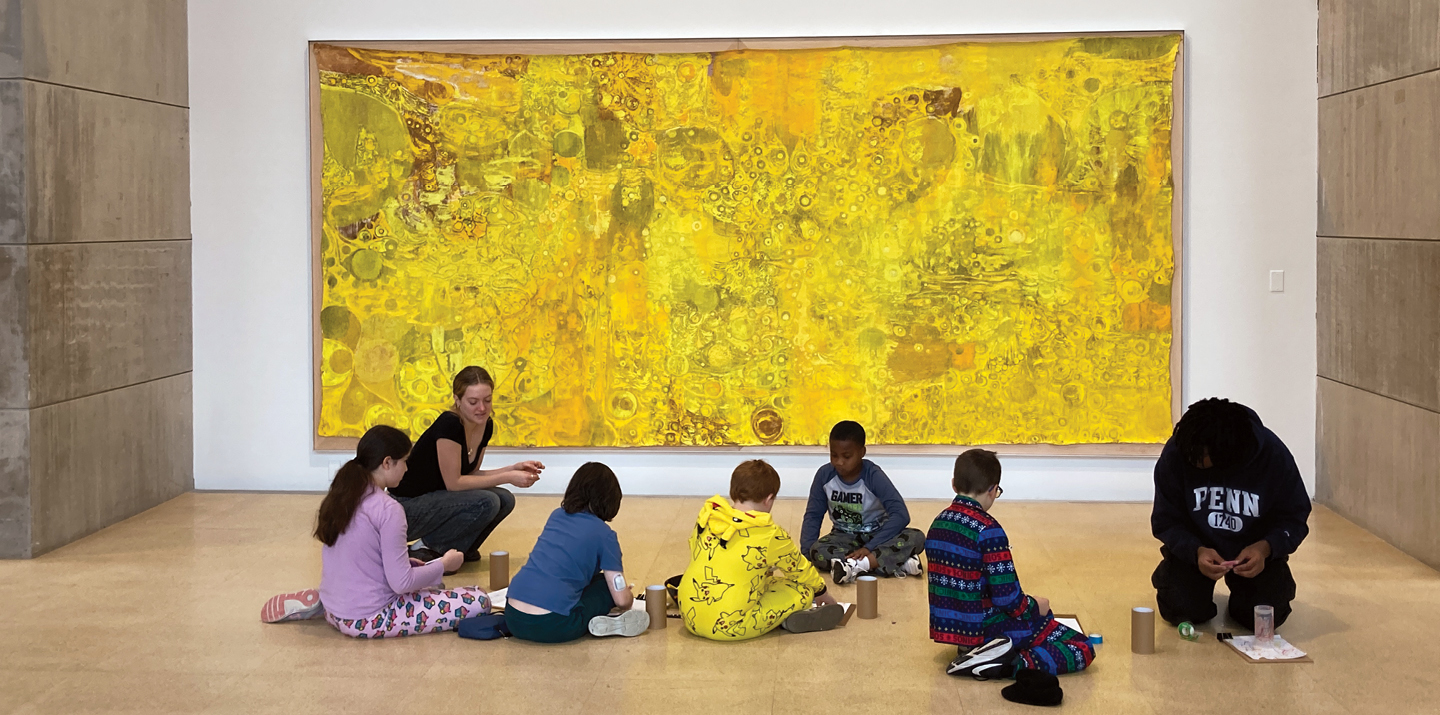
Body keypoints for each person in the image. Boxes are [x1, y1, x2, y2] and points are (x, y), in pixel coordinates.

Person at [927, 449, 1094, 679]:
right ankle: (1007, 662)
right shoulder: (988, 530)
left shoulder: (938, 524)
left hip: (952, 629)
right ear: (993, 490)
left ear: (954, 484)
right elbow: (1008, 600)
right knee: (1081, 646)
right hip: (987, 628)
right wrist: (1035, 605)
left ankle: (977, 653)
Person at [1150, 397, 1311, 630]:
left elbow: (1294, 517)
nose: (1192, 461)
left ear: (1226, 456)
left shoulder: (1272, 455)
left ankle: (1247, 594)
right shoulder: (1179, 451)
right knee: (1182, 610)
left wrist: (1264, 548)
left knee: (1263, 617)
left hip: (1255, 549)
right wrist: (1195, 551)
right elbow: (1166, 519)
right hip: (1197, 548)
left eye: (1199, 459)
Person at [315, 425, 489, 638]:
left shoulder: (344, 495)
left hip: (333, 611)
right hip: (369, 617)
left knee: (430, 584)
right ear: (387, 463)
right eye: (405, 461)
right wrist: (443, 565)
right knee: (479, 600)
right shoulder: (389, 509)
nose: (407, 469)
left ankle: (321, 598)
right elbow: (401, 583)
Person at [389, 366, 546, 570]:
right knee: (487, 501)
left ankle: (460, 548)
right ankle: (425, 548)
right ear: (457, 400)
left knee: (505, 499)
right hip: (406, 507)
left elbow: (470, 475)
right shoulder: (450, 424)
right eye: (473, 402)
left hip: (437, 499)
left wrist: (514, 467)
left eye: (487, 400)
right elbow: (455, 483)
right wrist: (508, 476)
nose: (482, 408)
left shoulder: (485, 424)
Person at [679, 460, 843, 641]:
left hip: (689, 615)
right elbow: (798, 569)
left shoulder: (709, 516)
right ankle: (784, 620)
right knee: (803, 591)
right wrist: (821, 592)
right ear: (769, 499)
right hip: (727, 627)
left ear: (733, 491)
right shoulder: (770, 534)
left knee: (766, 579)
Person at [504, 462, 649, 642]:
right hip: (553, 625)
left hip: (513, 617)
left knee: (585, 581)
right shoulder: (605, 535)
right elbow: (621, 600)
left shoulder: (556, 515)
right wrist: (627, 596)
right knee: (605, 588)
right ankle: (596, 622)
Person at [800, 420, 925, 584]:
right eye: (834, 455)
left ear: (862, 452)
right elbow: (813, 515)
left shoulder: (873, 476)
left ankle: (856, 565)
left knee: (917, 537)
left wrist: (870, 547)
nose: (839, 462)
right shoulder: (824, 475)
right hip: (844, 537)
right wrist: (806, 556)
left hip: (878, 535)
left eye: (846, 456)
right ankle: (895, 563)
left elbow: (901, 515)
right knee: (817, 551)